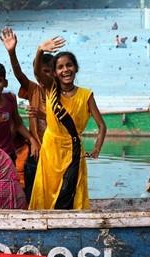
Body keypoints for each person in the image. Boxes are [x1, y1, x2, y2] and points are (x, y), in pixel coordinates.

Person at [29, 37, 106, 210]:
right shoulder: (51, 88)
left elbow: (102, 126)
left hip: (74, 150)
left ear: (76, 68)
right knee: (46, 190)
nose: (66, 70)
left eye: (69, 65)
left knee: (71, 191)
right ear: (55, 72)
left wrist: (96, 149)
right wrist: (40, 50)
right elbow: (37, 72)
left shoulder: (86, 95)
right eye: (60, 67)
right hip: (51, 149)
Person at [0, 27, 52, 201]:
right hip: (36, 149)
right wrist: (12, 53)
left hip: (56, 151)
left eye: (49, 71)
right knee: (31, 192)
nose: (45, 75)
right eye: (42, 71)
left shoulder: (62, 94)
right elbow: (18, 74)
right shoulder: (33, 89)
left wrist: (43, 114)